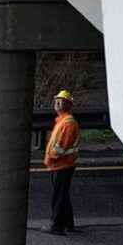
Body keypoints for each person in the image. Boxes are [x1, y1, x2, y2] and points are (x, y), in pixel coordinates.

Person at [42, 90, 81, 236]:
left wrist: (50, 158)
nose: (57, 103)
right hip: (61, 165)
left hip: (62, 165)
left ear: (68, 105)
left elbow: (61, 147)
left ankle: (57, 226)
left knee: (58, 197)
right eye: (56, 101)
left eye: (61, 101)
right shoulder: (61, 121)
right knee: (63, 195)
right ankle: (68, 224)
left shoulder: (68, 123)